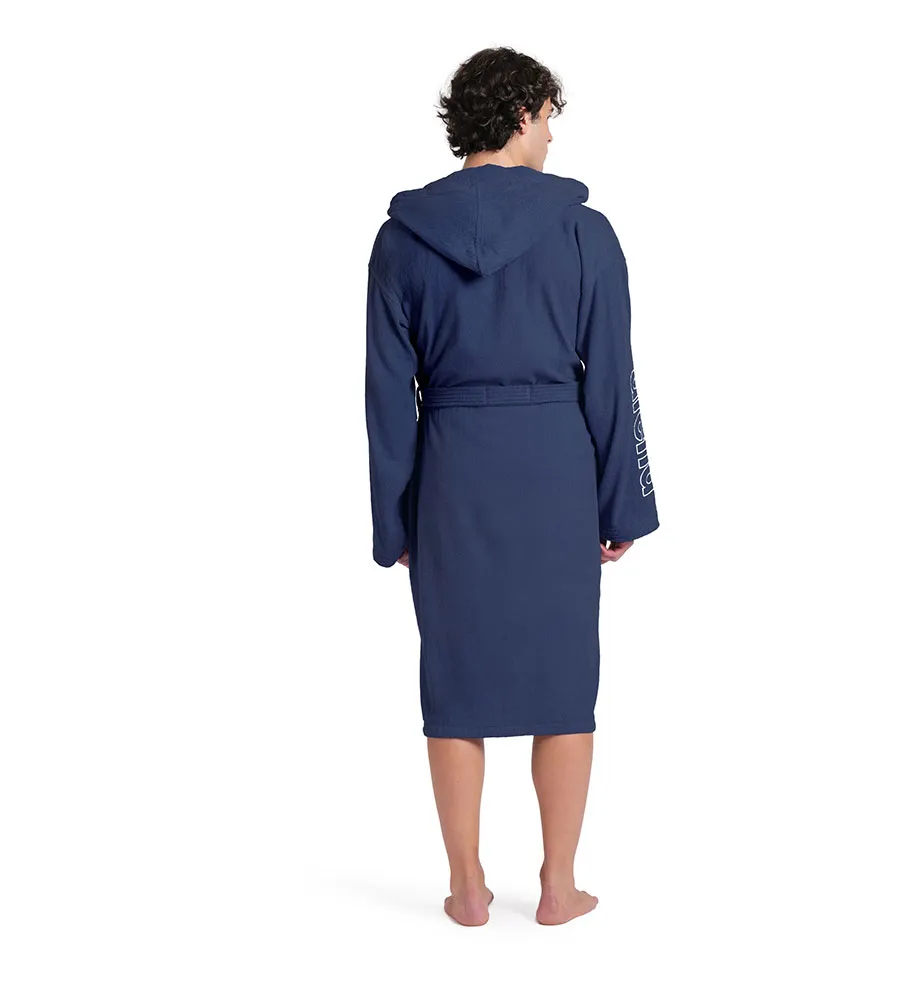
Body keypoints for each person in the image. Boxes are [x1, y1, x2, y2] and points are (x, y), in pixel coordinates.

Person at [364, 46, 659, 926]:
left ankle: (465, 887)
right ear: (523, 113)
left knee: (453, 681)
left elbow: (387, 399)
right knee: (564, 680)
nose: (552, 136)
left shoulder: (401, 239)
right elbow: (612, 382)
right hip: (556, 470)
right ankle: (559, 888)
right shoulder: (584, 233)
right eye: (549, 117)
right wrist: (622, 501)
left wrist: (397, 519)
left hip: (452, 472)